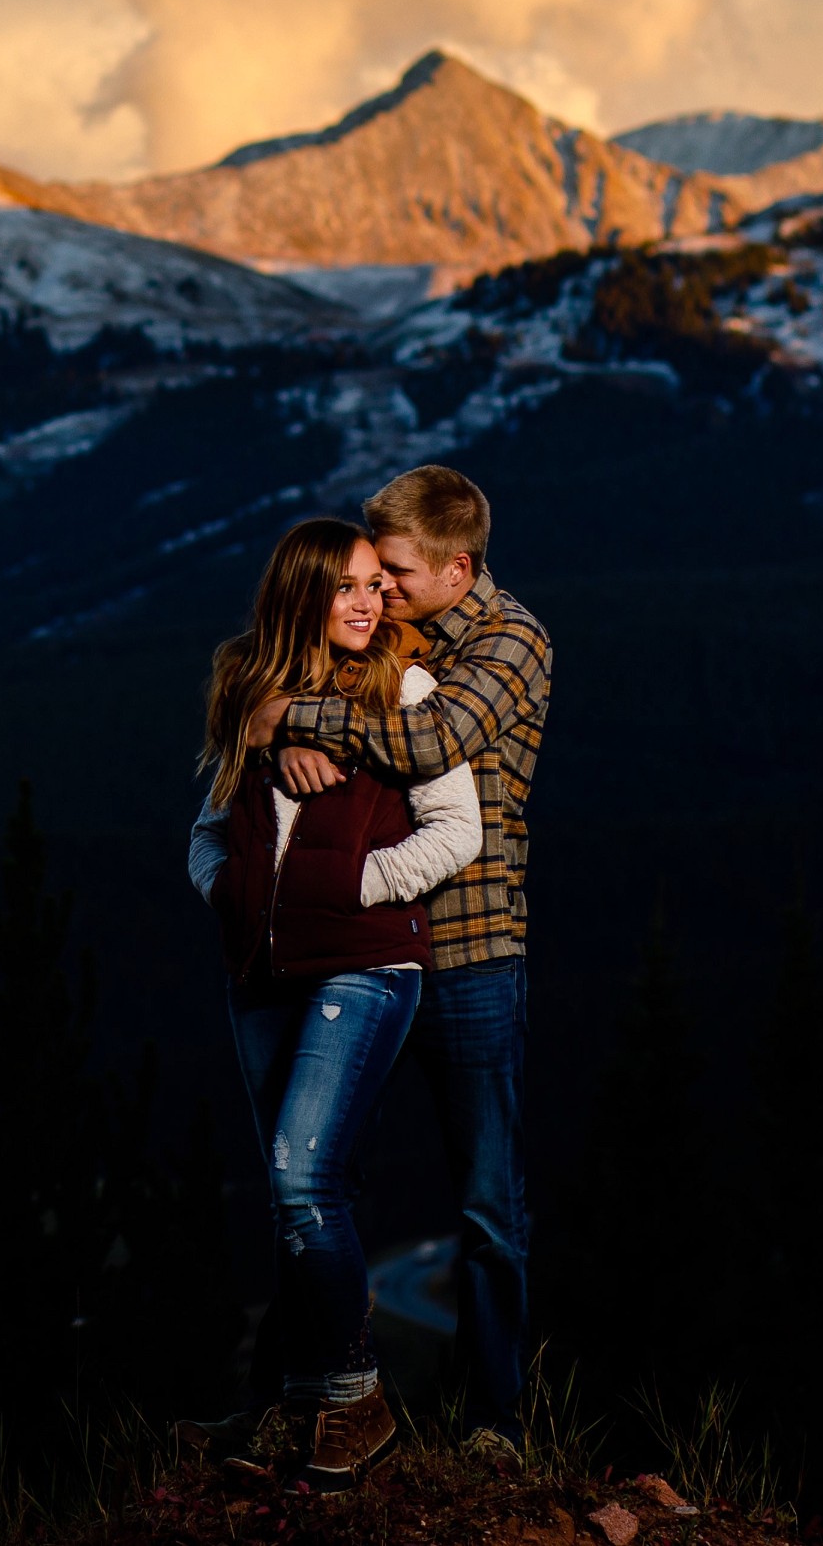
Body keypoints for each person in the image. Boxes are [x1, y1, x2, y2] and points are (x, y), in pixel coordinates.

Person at [178, 518, 482, 1492]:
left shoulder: (402, 688)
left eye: (370, 583)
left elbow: (455, 831)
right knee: (298, 1195)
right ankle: (302, 1398)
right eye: (342, 587)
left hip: (364, 963)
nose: (366, 601)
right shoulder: (246, 693)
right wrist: (233, 891)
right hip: (262, 974)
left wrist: (344, 890)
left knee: (300, 1177)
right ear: (298, 598)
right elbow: (205, 829)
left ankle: (355, 1395)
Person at [273, 465, 552, 1464]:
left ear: (456, 566)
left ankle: (494, 1419)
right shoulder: (390, 636)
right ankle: (316, 1395)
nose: (376, 588)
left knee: (484, 1198)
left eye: (393, 572)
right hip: (368, 955)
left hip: (472, 950)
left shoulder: (510, 639)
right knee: (312, 1172)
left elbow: (431, 736)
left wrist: (293, 720)